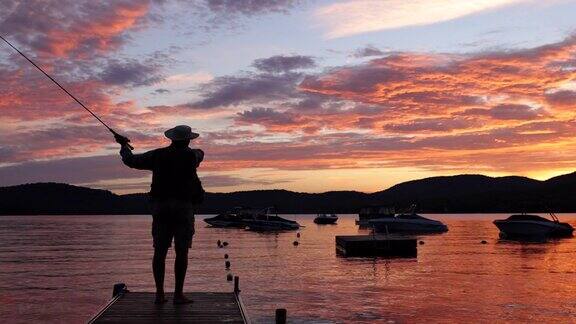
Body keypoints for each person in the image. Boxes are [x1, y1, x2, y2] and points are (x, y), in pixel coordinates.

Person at [114, 125, 204, 305]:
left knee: (160, 252)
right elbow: (200, 153)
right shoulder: (193, 155)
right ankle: (178, 295)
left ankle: (159, 294)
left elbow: (131, 161)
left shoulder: (157, 155)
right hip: (183, 207)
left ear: (171, 139)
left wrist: (123, 146)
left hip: (161, 207)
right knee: (182, 252)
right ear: (188, 139)